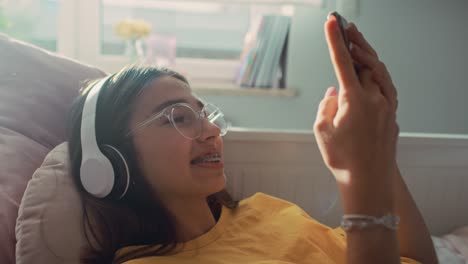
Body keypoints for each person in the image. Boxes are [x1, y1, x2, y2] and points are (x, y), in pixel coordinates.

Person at [66, 15, 437, 264]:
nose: (211, 130)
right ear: (109, 163)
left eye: (205, 114)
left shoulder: (266, 210)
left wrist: (381, 149)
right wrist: (359, 175)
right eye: (178, 118)